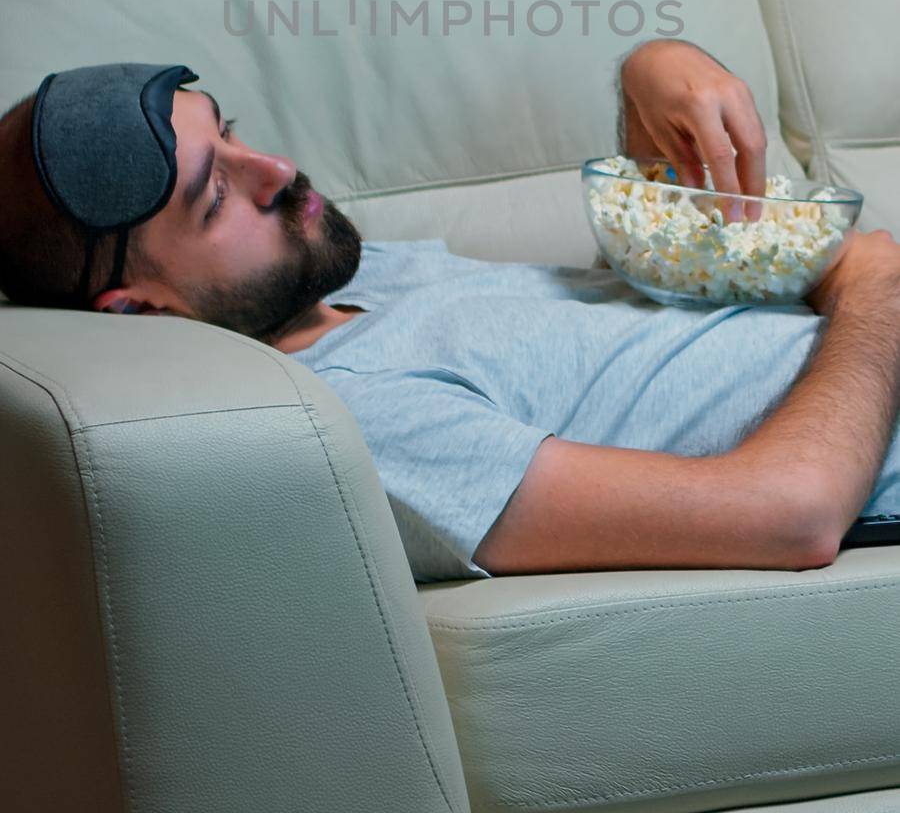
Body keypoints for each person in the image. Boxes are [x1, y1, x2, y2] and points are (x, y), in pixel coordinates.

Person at [2, 40, 899, 584]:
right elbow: (791, 514)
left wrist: (647, 76)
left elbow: (622, 336)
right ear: (140, 311)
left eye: (230, 131)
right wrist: (871, 283)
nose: (275, 169)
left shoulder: (338, 277)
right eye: (216, 194)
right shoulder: (353, 422)